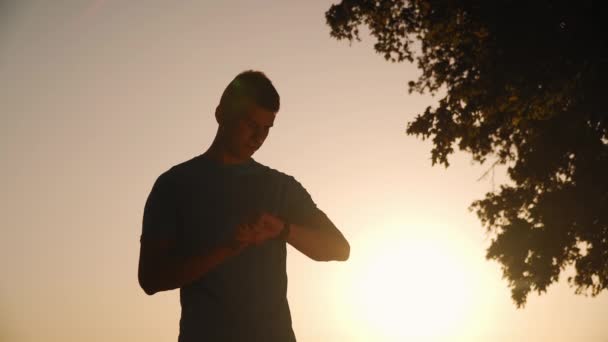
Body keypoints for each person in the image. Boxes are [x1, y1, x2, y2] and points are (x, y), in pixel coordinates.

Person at [138, 70, 350, 342]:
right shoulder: (174, 185)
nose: (258, 137)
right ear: (221, 114)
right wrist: (229, 247)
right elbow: (151, 279)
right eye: (251, 124)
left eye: (267, 129)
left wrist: (282, 229)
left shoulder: (281, 187)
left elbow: (339, 249)